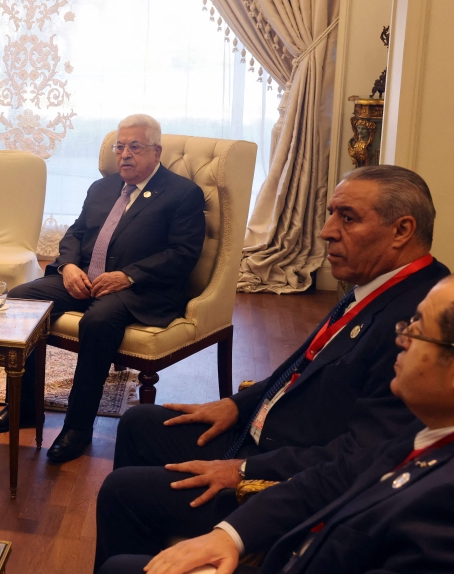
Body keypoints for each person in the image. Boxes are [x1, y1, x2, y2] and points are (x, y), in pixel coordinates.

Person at [95, 165, 449, 569]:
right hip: (260, 431)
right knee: (139, 423)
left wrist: (243, 468)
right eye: (331, 213)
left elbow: (359, 455)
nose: (326, 231)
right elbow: (301, 368)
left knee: (122, 491)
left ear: (402, 230)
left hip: (282, 467)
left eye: (347, 218)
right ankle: (155, 550)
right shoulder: (376, 286)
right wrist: (236, 404)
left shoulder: (416, 323)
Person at [0, 114, 206, 462]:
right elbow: (75, 234)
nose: (124, 154)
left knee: (97, 322)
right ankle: (22, 409)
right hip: (82, 280)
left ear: (156, 151)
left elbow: (183, 254)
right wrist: (68, 267)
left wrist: (128, 276)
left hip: (140, 290)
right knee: (21, 299)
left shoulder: (182, 194)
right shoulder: (102, 188)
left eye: (134, 147)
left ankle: (77, 427)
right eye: (119, 147)